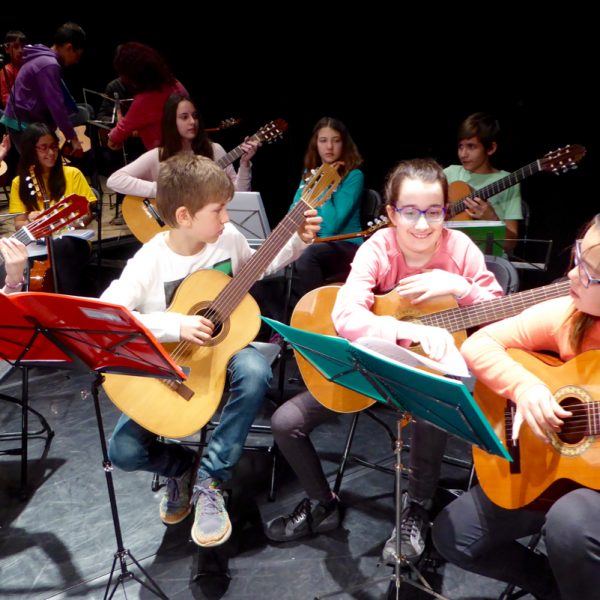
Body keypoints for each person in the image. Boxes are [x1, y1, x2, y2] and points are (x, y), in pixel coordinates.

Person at [264, 158, 502, 552]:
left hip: (426, 380)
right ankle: (323, 505)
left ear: (446, 210)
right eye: (410, 212)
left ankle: (418, 509)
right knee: (285, 422)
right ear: (391, 213)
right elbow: (344, 313)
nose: (422, 225)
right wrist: (404, 330)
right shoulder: (380, 246)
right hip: (372, 371)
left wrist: (459, 286)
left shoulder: (460, 249)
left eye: (434, 212)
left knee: (434, 410)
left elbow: (496, 306)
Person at [100, 153, 321, 548]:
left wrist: (296, 244)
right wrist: (175, 325)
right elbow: (110, 316)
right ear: (184, 216)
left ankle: (211, 479)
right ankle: (180, 468)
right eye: (218, 210)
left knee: (255, 371)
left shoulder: (228, 238)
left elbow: (256, 267)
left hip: (222, 351)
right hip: (171, 361)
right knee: (123, 450)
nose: (226, 218)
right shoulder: (150, 259)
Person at [432, 214, 600, 600]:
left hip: (585, 500)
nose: (571, 275)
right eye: (576, 258)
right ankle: (553, 587)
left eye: (588, 274)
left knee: (570, 521)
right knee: (454, 536)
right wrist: (524, 387)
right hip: (547, 472)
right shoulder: (572, 315)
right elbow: (479, 345)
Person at [256, 117, 363, 326]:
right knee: (267, 268)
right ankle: (284, 326)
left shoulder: (354, 175)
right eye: (323, 140)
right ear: (316, 143)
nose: (329, 146)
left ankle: (311, 321)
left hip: (345, 244)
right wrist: (312, 184)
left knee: (308, 256)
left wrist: (325, 183)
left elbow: (332, 225)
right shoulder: (308, 175)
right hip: (313, 244)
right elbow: (292, 217)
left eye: (335, 140)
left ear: (344, 144)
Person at [106, 92, 257, 200]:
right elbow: (115, 180)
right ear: (172, 122)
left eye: (195, 116)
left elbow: (240, 196)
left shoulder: (214, 150)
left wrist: (244, 164)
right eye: (184, 117)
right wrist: (164, 190)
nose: (192, 121)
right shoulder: (158, 156)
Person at [8, 123, 96, 295]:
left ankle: (71, 303)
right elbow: (18, 223)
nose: (51, 153)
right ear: (31, 150)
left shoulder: (72, 174)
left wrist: (72, 222)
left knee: (60, 246)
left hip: (70, 241)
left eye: (54, 147)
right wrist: (30, 221)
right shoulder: (19, 182)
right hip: (35, 242)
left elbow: (87, 215)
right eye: (44, 148)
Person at [0, 23, 88, 154]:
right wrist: (73, 139)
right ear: (69, 48)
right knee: (38, 168)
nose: (76, 61)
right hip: (22, 124)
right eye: (78, 55)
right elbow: (56, 106)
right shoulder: (49, 65)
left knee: (84, 111)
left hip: (26, 120)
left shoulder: (43, 56)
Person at [445, 112, 523, 251]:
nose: (463, 154)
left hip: (487, 258)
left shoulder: (508, 181)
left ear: (491, 148)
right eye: (460, 146)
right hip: (449, 253)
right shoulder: (449, 173)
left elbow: (510, 244)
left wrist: (492, 219)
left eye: (471, 146)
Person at [107, 42, 187, 152]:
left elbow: (120, 131)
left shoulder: (144, 100)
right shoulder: (175, 84)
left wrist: (112, 138)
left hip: (167, 157)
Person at [1, 30, 26, 108]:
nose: (20, 50)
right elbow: (6, 99)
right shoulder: (6, 70)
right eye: (16, 47)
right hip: (15, 113)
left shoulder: (27, 67)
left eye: (23, 46)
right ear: (7, 49)